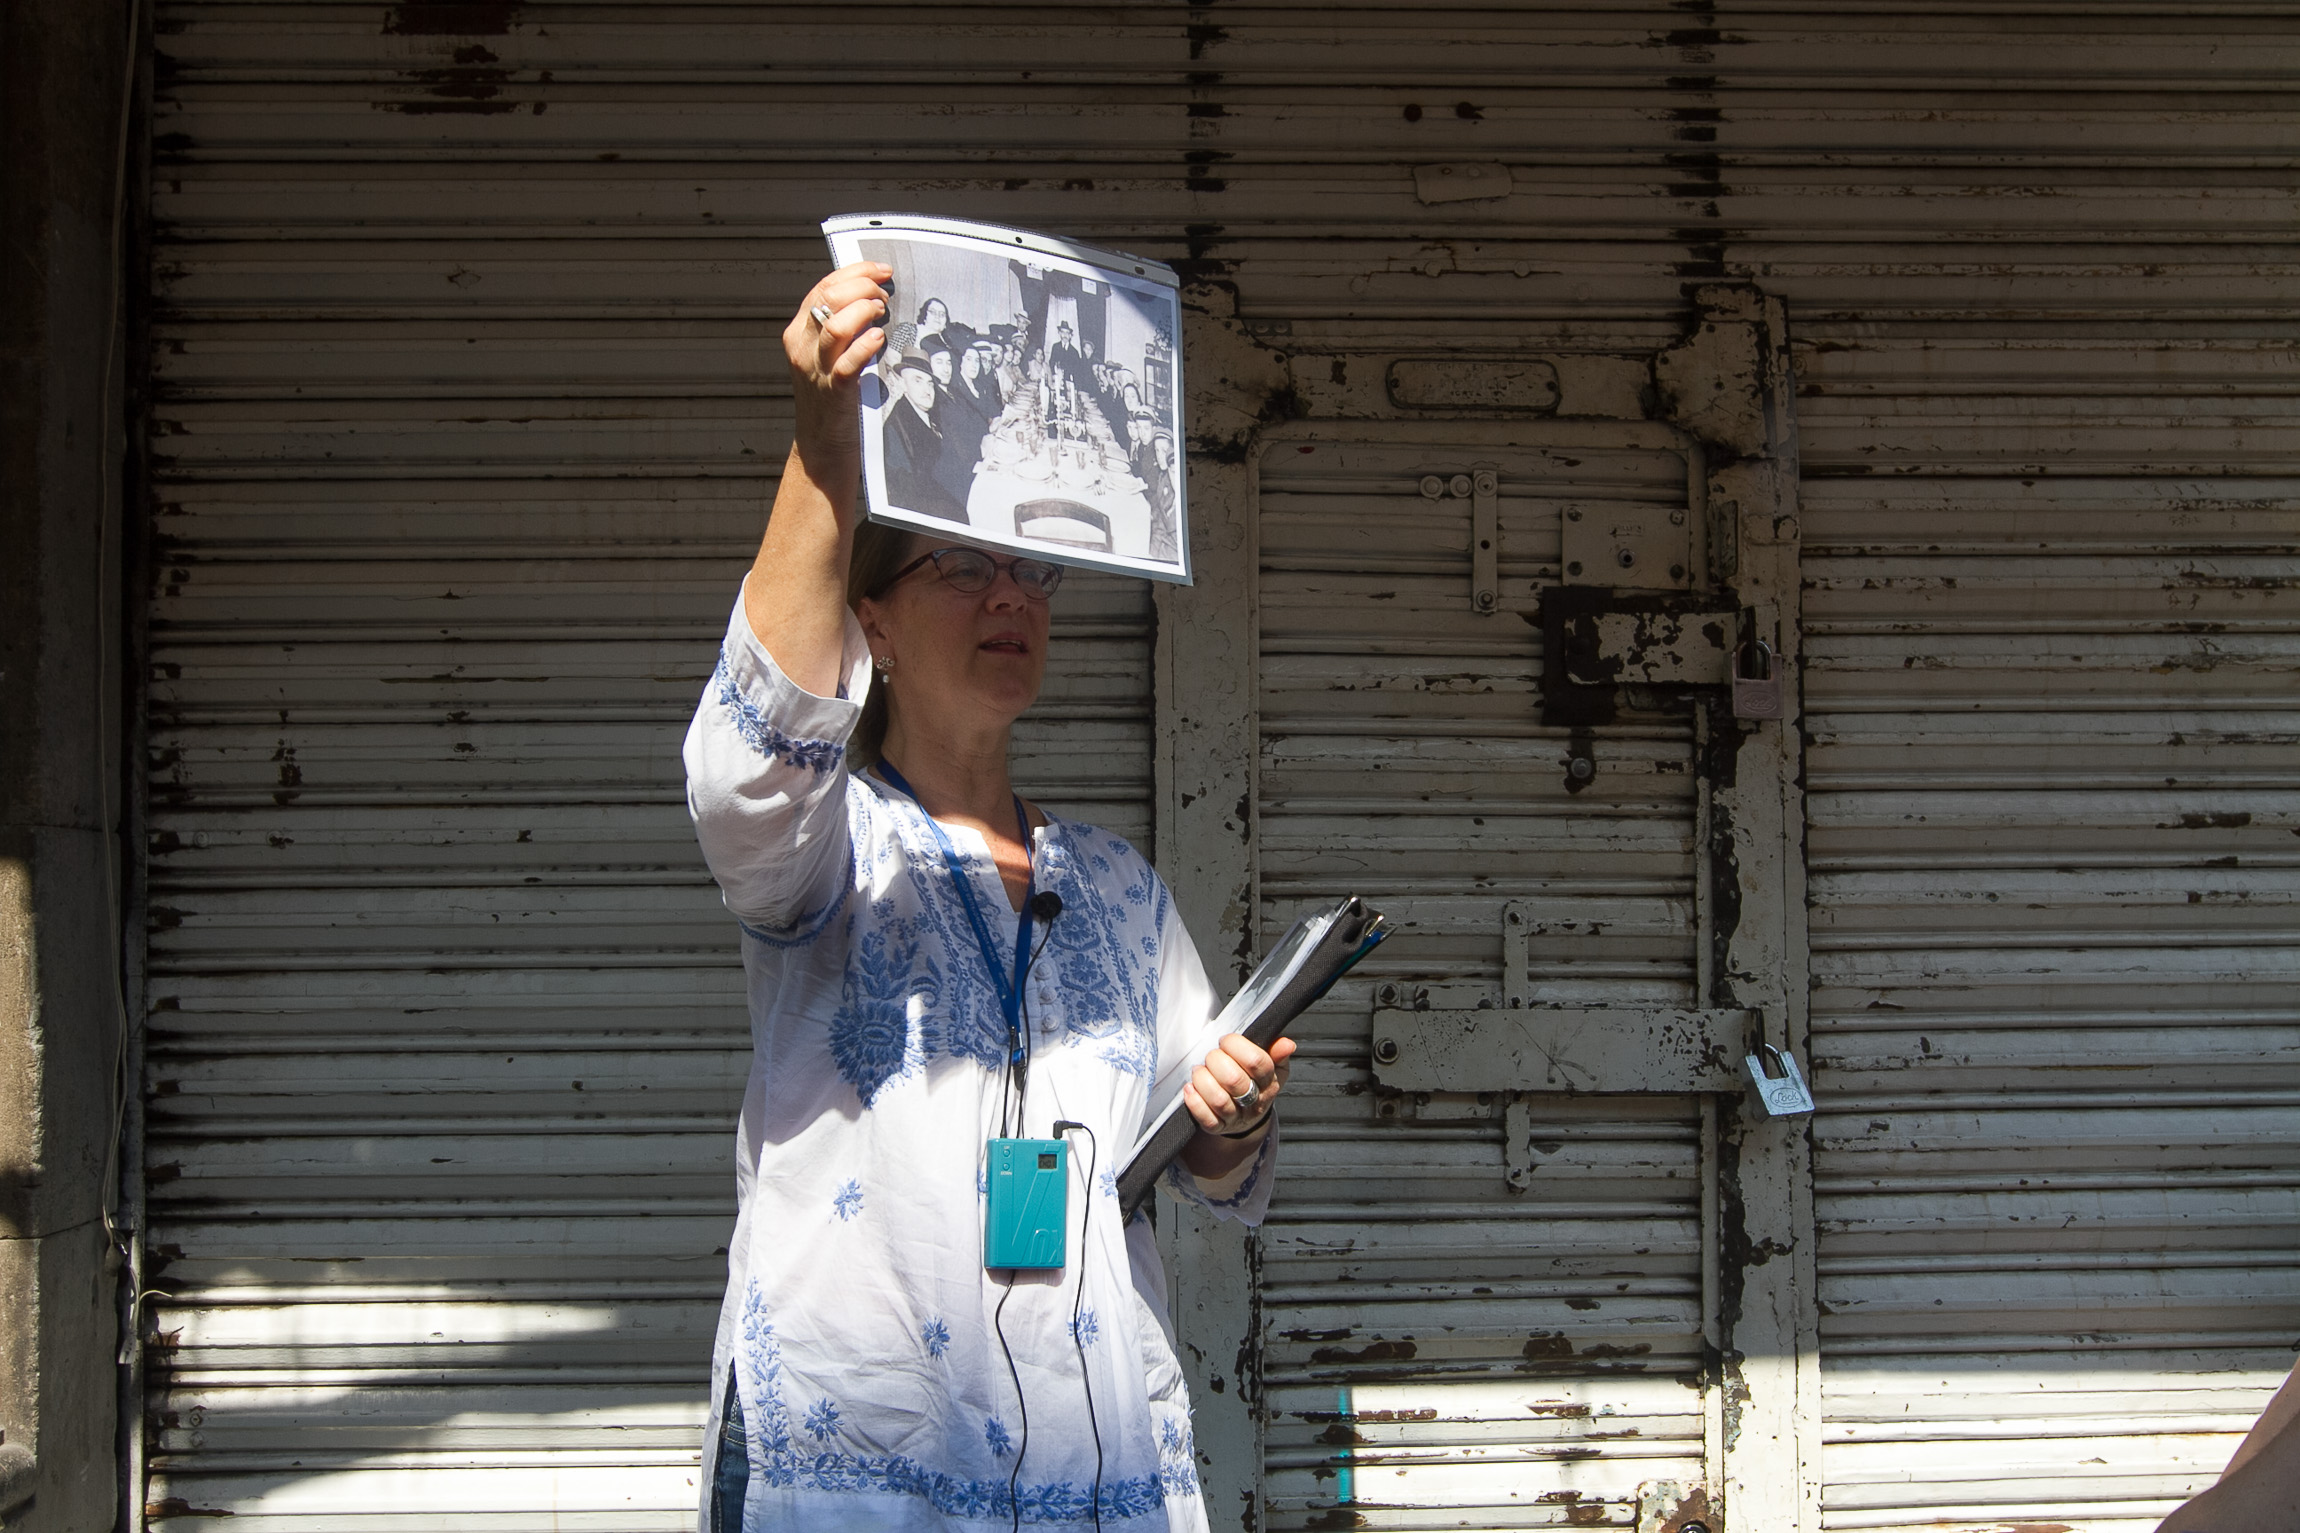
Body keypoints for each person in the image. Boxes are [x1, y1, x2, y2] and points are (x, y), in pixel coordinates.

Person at [685, 260, 1289, 1532]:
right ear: (876, 627)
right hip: (858, 1463)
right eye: (961, 571)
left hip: (1084, 1467)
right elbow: (742, 771)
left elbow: (1210, 1169)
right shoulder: (830, 848)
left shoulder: (1116, 889)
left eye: (1028, 575)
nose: (1011, 597)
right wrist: (822, 441)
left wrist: (1230, 1118)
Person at [882, 353, 968, 524]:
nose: (927, 390)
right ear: (903, 385)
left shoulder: (929, 413)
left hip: (951, 490)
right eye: (917, 380)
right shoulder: (895, 426)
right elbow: (906, 491)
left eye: (930, 383)